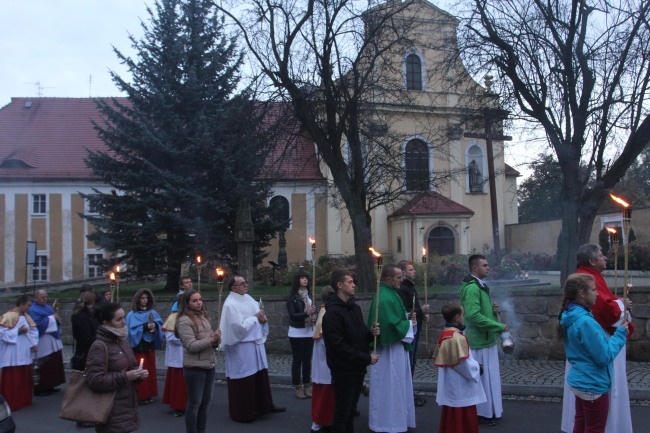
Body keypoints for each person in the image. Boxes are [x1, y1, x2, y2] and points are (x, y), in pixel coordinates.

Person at [561, 244, 635, 433]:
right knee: (594, 427)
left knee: (581, 420)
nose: (597, 294)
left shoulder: (571, 315)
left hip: (581, 378)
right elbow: (603, 356)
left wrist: (617, 301)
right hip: (593, 382)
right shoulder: (586, 322)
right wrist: (620, 333)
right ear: (582, 294)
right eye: (593, 291)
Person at [219, 275, 285, 422]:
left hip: (255, 343)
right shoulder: (230, 304)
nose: (245, 285)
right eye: (242, 283)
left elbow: (258, 314)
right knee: (245, 378)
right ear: (233, 287)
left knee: (260, 375)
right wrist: (256, 318)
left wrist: (261, 318)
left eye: (245, 282)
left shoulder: (248, 298)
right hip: (241, 347)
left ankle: (264, 406)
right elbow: (237, 327)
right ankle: (244, 412)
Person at [322, 270, 379, 433]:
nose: (354, 284)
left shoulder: (355, 309)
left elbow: (358, 337)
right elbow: (338, 346)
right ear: (339, 286)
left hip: (357, 369)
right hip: (343, 370)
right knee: (342, 413)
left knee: (350, 412)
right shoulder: (332, 313)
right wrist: (366, 358)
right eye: (350, 282)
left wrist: (370, 334)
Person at [366, 264, 416, 433]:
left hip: (395, 349)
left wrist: (407, 318)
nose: (402, 280)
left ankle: (396, 420)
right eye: (398, 277)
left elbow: (395, 318)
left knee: (396, 385)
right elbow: (390, 325)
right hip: (389, 352)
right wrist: (408, 324)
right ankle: (388, 423)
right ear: (388, 278)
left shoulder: (391, 294)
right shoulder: (385, 298)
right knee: (390, 386)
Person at [86, 303, 149, 433]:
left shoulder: (122, 340)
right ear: (106, 323)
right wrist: (125, 376)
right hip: (109, 410)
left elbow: (131, 367)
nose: (124, 322)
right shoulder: (99, 346)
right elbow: (94, 380)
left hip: (127, 406)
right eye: (118, 319)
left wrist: (139, 374)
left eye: (124, 318)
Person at [459, 254, 507, 425]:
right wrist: (498, 327)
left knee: (489, 378)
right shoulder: (472, 288)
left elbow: (480, 312)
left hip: (486, 339)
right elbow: (472, 316)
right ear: (474, 268)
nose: (489, 268)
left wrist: (493, 311)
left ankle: (489, 411)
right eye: (485, 265)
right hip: (478, 342)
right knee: (480, 380)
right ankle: (480, 414)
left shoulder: (480, 286)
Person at [433, 303, 486, 433]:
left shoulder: (444, 334)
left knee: (451, 415)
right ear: (457, 317)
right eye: (462, 315)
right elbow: (463, 364)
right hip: (461, 385)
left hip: (449, 383)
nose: (463, 317)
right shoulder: (458, 338)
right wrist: (477, 369)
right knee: (462, 418)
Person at [175, 289, 221, 433]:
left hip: (209, 364)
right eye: (194, 300)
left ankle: (201, 429)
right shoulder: (184, 321)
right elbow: (191, 345)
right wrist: (211, 339)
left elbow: (209, 341)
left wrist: (215, 341)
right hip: (194, 367)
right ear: (187, 303)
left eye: (200, 299)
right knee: (195, 403)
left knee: (205, 403)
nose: (199, 303)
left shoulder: (203, 317)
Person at [397, 260, 430, 407]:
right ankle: (406, 391)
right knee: (409, 361)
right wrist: (420, 310)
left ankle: (409, 390)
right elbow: (405, 312)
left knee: (413, 362)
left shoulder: (410, 286)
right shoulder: (402, 289)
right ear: (403, 273)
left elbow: (414, 308)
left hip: (416, 327)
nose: (414, 271)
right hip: (410, 330)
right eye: (411, 270)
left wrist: (423, 315)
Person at [0, 295, 39, 410]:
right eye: (28, 305)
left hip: (24, 351)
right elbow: (2, 333)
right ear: (21, 304)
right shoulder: (8, 316)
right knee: (13, 378)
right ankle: (12, 402)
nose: (29, 308)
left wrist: (34, 344)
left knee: (24, 377)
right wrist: (18, 331)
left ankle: (23, 400)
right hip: (12, 351)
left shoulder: (27, 317)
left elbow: (33, 332)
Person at [126, 288, 163, 404]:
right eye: (142, 298)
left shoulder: (152, 313)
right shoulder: (132, 315)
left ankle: (149, 393)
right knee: (139, 369)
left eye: (146, 298)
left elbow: (160, 325)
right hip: (138, 346)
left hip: (149, 344)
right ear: (138, 299)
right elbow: (129, 331)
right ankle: (140, 395)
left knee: (150, 368)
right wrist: (144, 327)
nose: (144, 300)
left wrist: (155, 326)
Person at [28, 289, 66, 395]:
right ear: (36, 298)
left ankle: (51, 385)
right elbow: (37, 324)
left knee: (53, 363)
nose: (45, 299)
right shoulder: (33, 310)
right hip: (43, 340)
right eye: (42, 297)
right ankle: (41, 387)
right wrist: (52, 319)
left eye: (46, 297)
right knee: (44, 364)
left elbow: (52, 318)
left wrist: (57, 319)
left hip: (52, 339)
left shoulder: (48, 307)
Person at [286, 270, 316, 399]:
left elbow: (312, 311)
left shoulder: (309, 296)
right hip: (297, 332)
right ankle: (298, 386)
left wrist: (313, 317)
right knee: (298, 360)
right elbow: (293, 315)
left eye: (306, 278)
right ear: (297, 280)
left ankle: (307, 385)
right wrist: (307, 314)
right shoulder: (292, 297)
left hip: (308, 331)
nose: (305, 280)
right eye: (302, 278)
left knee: (307, 360)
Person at [310, 285, 335, 433]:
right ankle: (322, 421)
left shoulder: (324, 310)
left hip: (323, 360)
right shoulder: (327, 313)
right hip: (326, 360)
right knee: (325, 393)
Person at [162, 309, 188, 417]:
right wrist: (189, 339)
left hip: (192, 355)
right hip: (178, 355)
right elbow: (170, 337)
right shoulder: (173, 318)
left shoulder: (194, 316)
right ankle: (179, 406)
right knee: (179, 383)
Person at [71, 291, 98, 371]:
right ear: (92, 301)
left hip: (86, 350)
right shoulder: (83, 316)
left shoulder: (87, 314)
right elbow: (86, 338)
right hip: (85, 352)